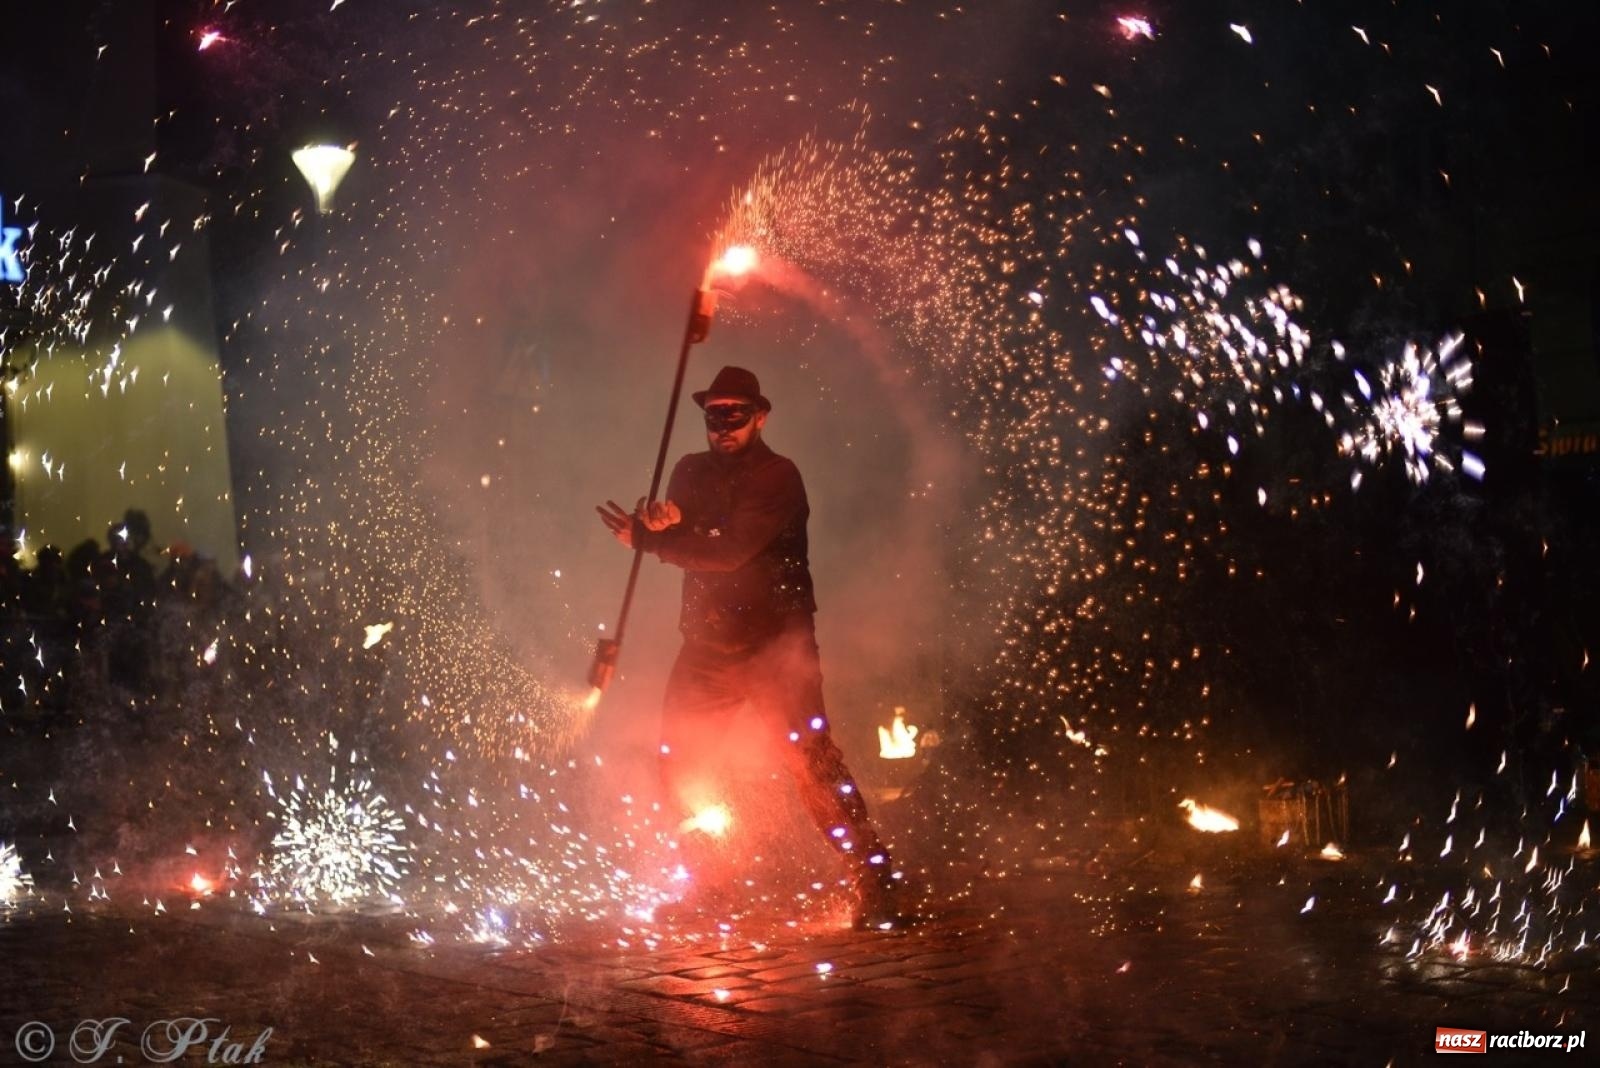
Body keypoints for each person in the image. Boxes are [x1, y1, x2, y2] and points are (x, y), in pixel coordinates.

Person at [597, 365, 906, 929]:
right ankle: (711, 885)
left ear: (760, 417)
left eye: (735, 414)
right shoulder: (689, 470)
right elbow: (690, 530)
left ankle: (876, 880)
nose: (723, 425)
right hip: (706, 646)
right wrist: (664, 523)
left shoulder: (777, 477)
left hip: (775, 644)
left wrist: (647, 542)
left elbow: (730, 550)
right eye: (713, 415)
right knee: (680, 763)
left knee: (811, 763)